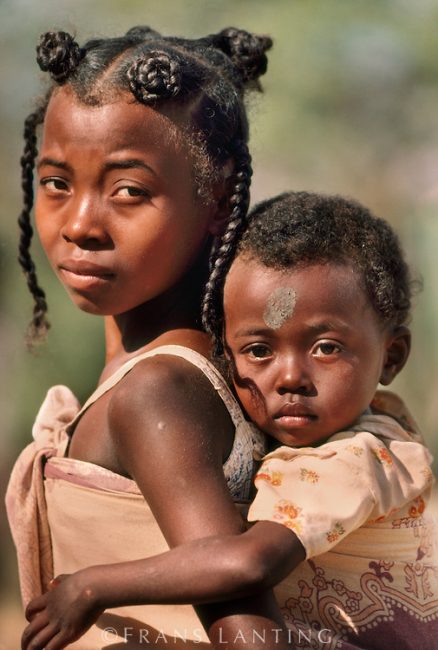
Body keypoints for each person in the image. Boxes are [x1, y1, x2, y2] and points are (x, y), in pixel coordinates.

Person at [23, 192, 438, 649]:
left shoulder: (353, 460)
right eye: (259, 351)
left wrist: (93, 587)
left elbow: (249, 565)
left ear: (391, 357)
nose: (291, 378)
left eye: (326, 348)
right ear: (225, 354)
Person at [5, 25, 292, 650]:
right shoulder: (184, 372)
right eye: (57, 182)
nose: (80, 224)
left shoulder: (158, 392)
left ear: (216, 202)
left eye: (128, 190)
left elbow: (253, 635)